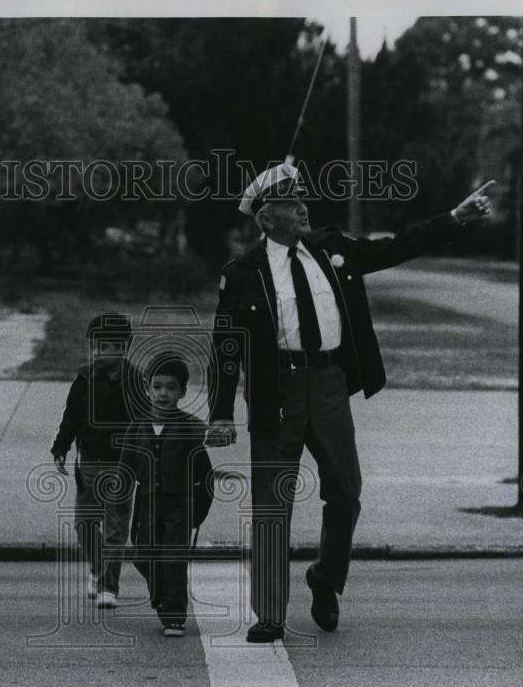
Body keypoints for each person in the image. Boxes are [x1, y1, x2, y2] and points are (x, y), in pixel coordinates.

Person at [206, 162, 494, 642]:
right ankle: (270, 613)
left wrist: (455, 218)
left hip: (329, 383)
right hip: (277, 392)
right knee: (271, 506)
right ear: (264, 217)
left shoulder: (331, 250)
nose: (302, 208)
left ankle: (325, 578)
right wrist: (220, 413)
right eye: (289, 203)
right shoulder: (243, 273)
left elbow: (394, 247)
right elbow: (225, 347)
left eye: (302, 200)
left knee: (345, 492)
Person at [109, 353, 213, 636]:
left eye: (170, 387)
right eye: (157, 387)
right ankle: (162, 596)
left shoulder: (191, 427)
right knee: (143, 556)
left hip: (180, 505)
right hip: (147, 505)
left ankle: (174, 617)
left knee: (173, 561)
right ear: (147, 388)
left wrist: (197, 511)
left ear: (182, 392)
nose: (163, 393)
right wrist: (119, 506)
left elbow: (205, 475)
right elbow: (124, 471)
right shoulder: (137, 427)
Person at [50, 312, 146, 607]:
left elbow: (143, 420)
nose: (104, 353)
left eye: (112, 347)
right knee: (85, 525)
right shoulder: (83, 378)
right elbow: (72, 415)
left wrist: (146, 455)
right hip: (89, 462)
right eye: (99, 347)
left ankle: (109, 587)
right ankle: (97, 568)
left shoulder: (134, 379)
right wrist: (60, 446)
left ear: (125, 348)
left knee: (116, 528)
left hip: (122, 464)